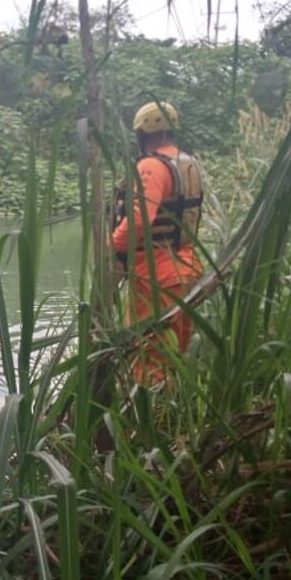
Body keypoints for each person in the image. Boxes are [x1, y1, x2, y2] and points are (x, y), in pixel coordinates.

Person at [110, 100, 204, 386]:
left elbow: (140, 218)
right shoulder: (188, 163)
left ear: (141, 134)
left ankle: (150, 410)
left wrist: (114, 243)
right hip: (188, 269)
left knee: (148, 357)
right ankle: (176, 407)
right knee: (175, 353)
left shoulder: (151, 166)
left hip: (156, 277)